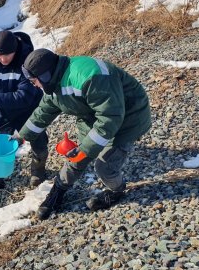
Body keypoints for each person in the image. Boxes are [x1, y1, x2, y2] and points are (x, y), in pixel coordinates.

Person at [16, 48, 151, 219]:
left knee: (105, 166)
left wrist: (86, 149)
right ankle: (57, 192)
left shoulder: (89, 77)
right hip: (92, 116)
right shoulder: (55, 82)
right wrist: (22, 136)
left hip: (128, 118)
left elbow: (110, 117)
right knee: (77, 156)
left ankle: (117, 190)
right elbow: (43, 111)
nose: (33, 85)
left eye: (34, 81)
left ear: (45, 75)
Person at [0, 30, 47, 196]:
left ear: (15, 50)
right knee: (1, 144)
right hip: (4, 112)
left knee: (38, 140)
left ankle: (38, 170)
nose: (3, 59)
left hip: (29, 109)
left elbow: (25, 96)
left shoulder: (27, 62)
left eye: (7, 55)